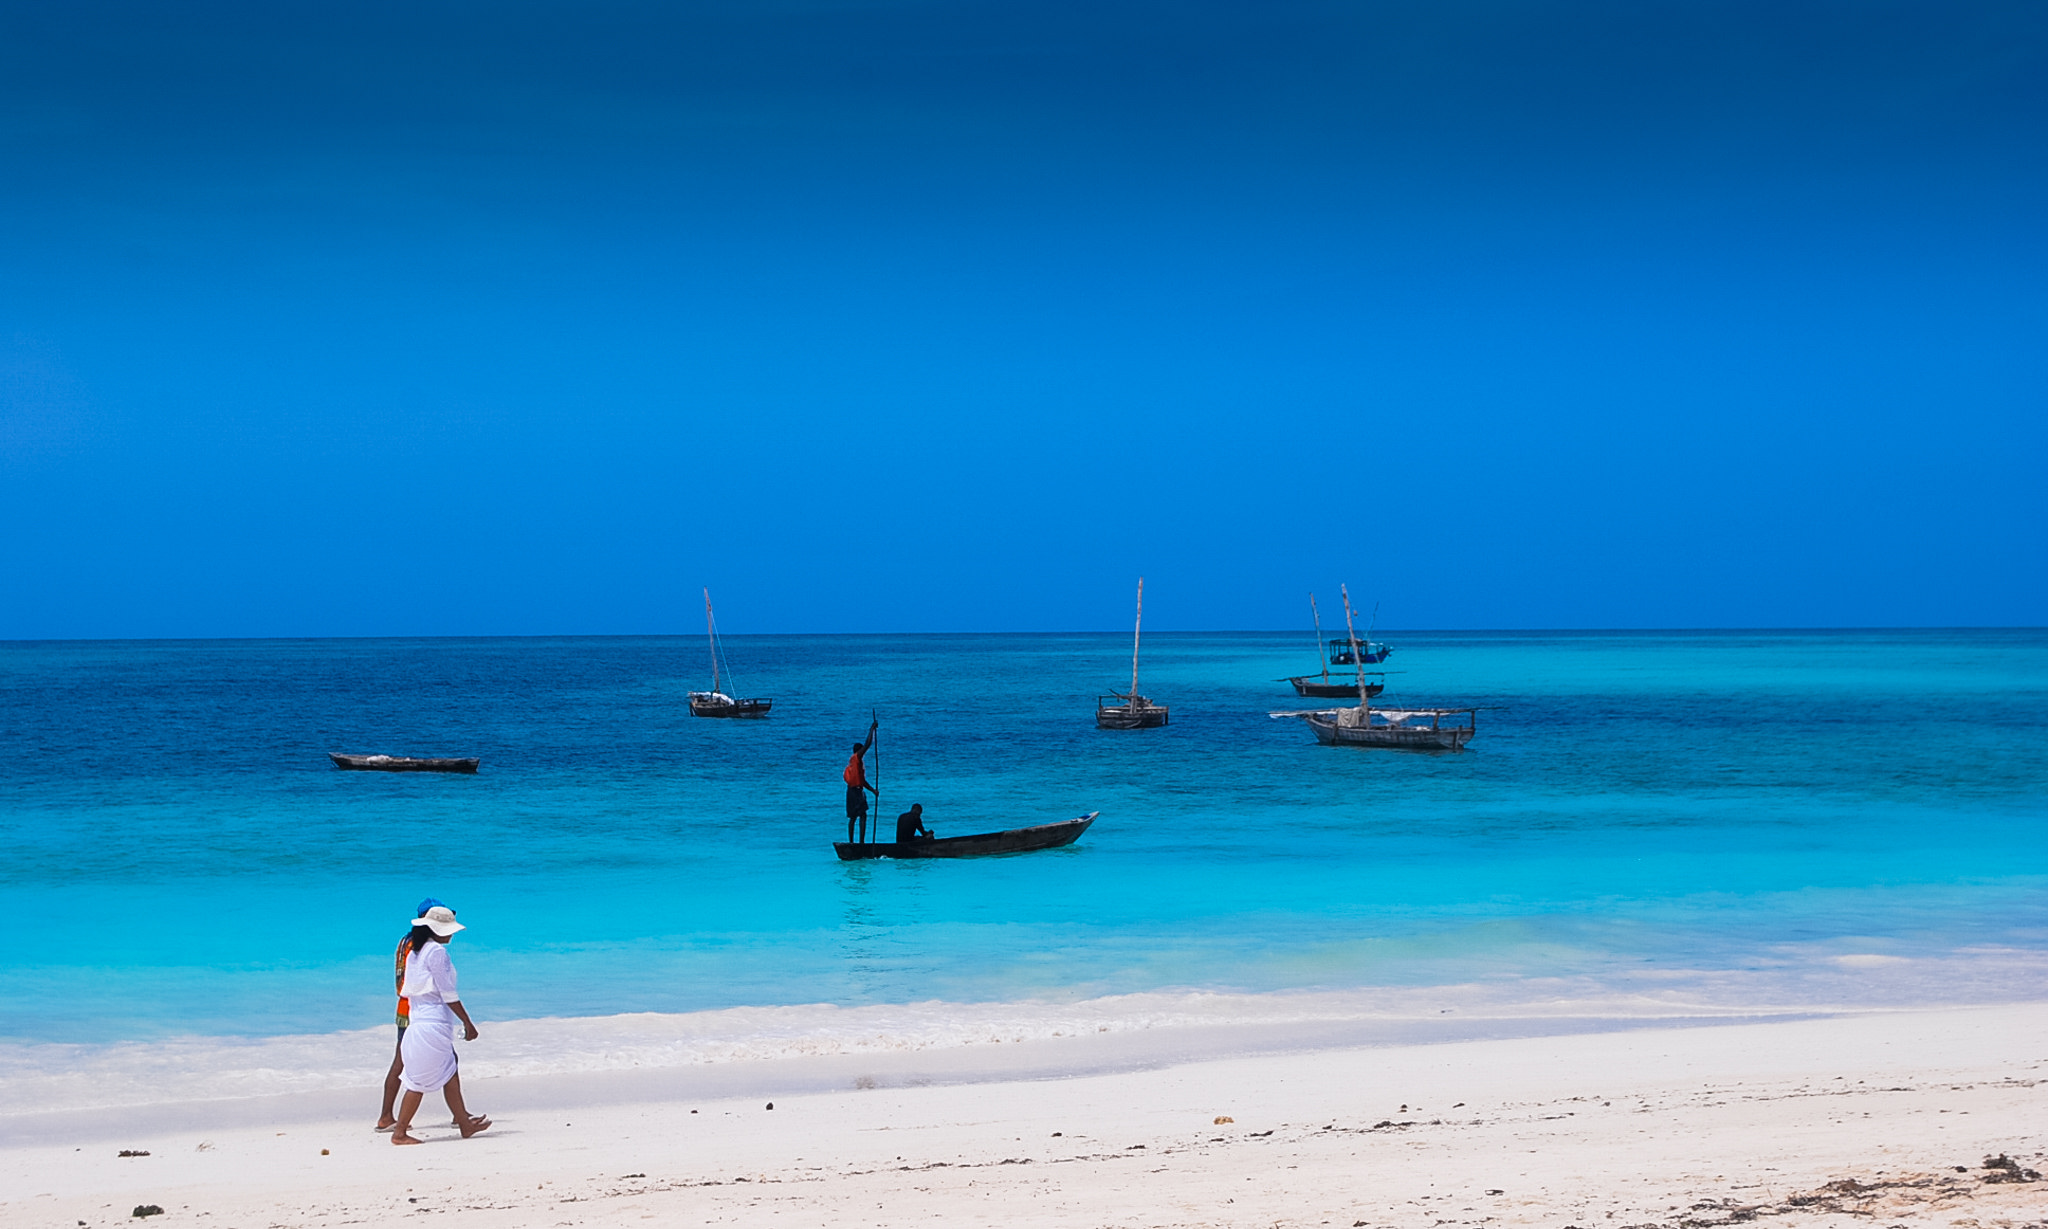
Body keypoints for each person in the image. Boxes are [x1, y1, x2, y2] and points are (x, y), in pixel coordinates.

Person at [390, 905, 491, 1145]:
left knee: (450, 1071)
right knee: (418, 1081)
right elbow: (448, 994)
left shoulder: (416, 951)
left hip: (419, 1022)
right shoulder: (436, 953)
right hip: (431, 1026)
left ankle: (464, 1124)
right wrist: (468, 1023)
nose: (452, 934)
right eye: (449, 929)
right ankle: (399, 1132)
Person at [375, 897, 445, 1131]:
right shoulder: (422, 945)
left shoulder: (405, 941)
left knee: (402, 1061)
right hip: (418, 1011)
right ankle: (460, 1116)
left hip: (404, 1008)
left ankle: (386, 1115)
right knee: (446, 1059)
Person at [844, 717, 879, 843]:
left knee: (855, 817)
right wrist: (872, 730)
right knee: (860, 816)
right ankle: (858, 842)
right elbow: (868, 744)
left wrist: (873, 791)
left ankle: (855, 842)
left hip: (854, 791)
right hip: (855, 792)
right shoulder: (856, 758)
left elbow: (862, 781)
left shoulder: (855, 765)